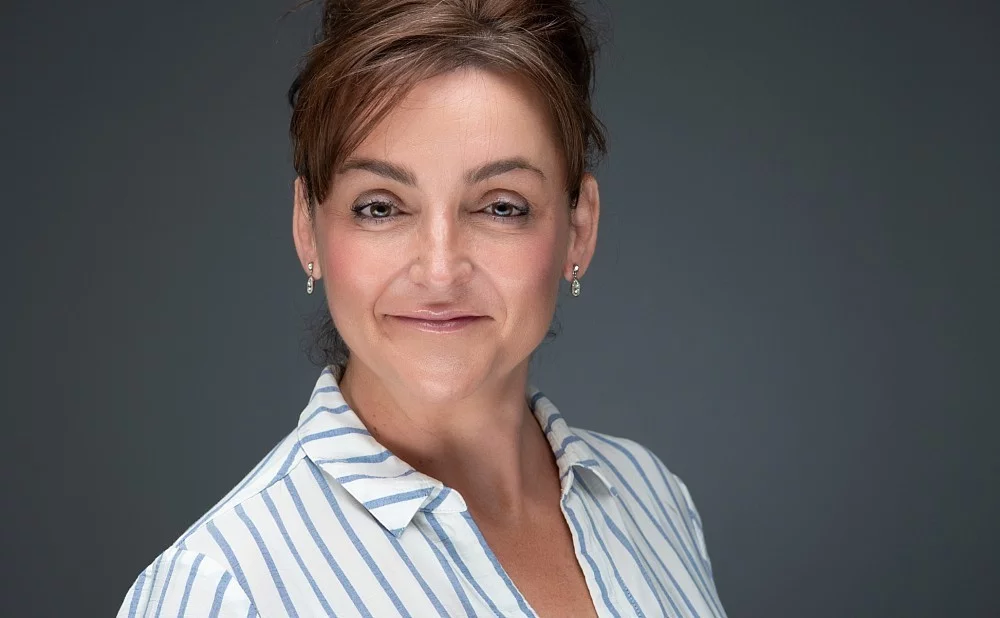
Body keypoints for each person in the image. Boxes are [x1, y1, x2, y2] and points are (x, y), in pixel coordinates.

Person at [116, 0, 727, 616]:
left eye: (501, 205)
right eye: (380, 206)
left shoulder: (653, 498)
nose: (439, 271)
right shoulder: (222, 589)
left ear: (579, 228)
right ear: (308, 227)